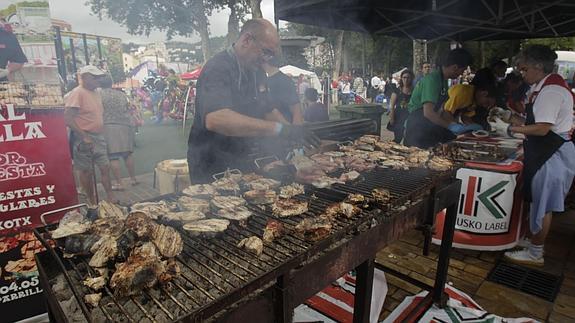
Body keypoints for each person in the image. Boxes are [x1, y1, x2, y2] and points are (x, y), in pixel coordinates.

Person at [187, 19, 319, 184]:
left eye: (270, 55)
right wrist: (280, 129)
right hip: (210, 160)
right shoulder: (218, 68)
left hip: (242, 154)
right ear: (246, 40)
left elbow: (267, 109)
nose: (266, 60)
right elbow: (216, 119)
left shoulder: (257, 72)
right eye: (265, 52)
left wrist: (293, 132)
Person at [501, 45, 575, 266]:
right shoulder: (548, 86)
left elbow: (542, 128)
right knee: (538, 201)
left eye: (524, 70)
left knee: (543, 205)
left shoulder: (551, 91)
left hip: (551, 154)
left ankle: (536, 252)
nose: (522, 75)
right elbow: (536, 123)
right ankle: (532, 240)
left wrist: (509, 130)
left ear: (538, 67)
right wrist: (512, 118)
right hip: (547, 151)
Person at [64, 65, 115, 206]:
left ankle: (111, 197)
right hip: (84, 137)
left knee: (105, 167)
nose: (98, 80)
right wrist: (84, 135)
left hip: (98, 136)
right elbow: (68, 118)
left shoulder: (97, 91)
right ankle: (91, 201)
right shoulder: (77, 93)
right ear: (84, 77)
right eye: (95, 77)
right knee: (86, 171)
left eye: (99, 77)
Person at [404, 48, 474, 149]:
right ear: (455, 67)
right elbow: (428, 113)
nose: (461, 73)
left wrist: (457, 124)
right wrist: (450, 126)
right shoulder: (432, 80)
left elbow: (443, 110)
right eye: (462, 70)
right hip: (418, 126)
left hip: (430, 125)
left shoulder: (443, 80)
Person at [99, 76, 138, 191]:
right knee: (127, 154)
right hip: (125, 124)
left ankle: (119, 183)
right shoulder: (121, 94)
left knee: (113, 156)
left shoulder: (98, 95)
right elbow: (129, 107)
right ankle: (133, 179)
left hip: (109, 126)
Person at [262, 56, 303, 124]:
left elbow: (296, 110)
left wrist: (293, 131)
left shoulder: (284, 81)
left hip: (283, 129)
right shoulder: (267, 80)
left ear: (266, 59)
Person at [387, 69, 414, 143]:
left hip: (410, 116)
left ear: (411, 79)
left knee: (409, 138)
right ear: (401, 79)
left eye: (408, 77)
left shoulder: (414, 91)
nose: (406, 79)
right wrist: (392, 118)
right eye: (404, 77)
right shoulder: (397, 91)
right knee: (398, 138)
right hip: (399, 117)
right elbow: (392, 106)